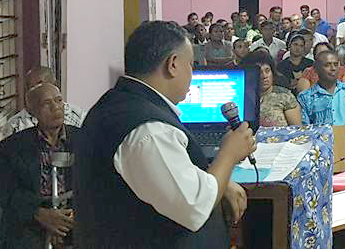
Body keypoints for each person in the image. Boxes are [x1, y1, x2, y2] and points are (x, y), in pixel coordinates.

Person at [73, 21, 257, 248]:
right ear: (173, 64)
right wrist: (228, 155)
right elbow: (195, 206)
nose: (192, 74)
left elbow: (167, 176)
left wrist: (218, 181)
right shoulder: (147, 129)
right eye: (191, 65)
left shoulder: (121, 103)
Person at [0, 83, 81, 249]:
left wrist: (65, 221)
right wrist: (41, 215)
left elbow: (94, 184)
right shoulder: (11, 147)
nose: (56, 107)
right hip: (31, 221)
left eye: (59, 100)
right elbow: (8, 194)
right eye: (46, 103)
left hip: (75, 218)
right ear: (31, 111)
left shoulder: (83, 139)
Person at [298, 51, 345, 152]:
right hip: (321, 146)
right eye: (327, 65)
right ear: (316, 69)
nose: (333, 68)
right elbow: (306, 129)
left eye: (336, 64)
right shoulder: (306, 97)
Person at [2, 66, 86, 137]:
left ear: (55, 86)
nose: (56, 107)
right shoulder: (15, 125)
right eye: (33, 88)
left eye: (58, 100)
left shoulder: (78, 116)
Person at [245, 50, 302, 127]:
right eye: (259, 72)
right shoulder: (244, 98)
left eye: (267, 71)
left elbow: (297, 129)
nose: (264, 76)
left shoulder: (285, 96)